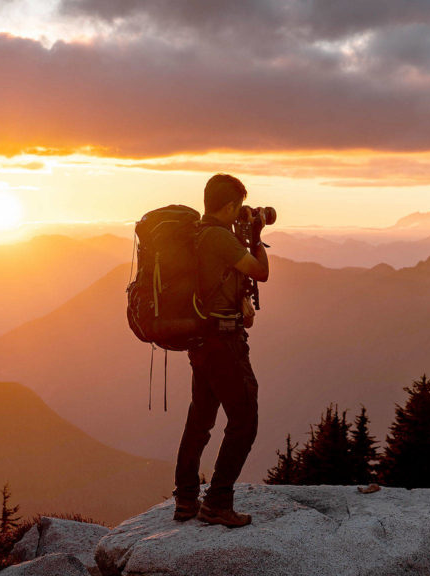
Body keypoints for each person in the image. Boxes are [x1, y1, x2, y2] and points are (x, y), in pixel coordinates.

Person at [173, 173, 269, 527]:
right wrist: (257, 235)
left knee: (200, 420)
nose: (241, 215)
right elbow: (260, 272)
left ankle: (185, 500)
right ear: (229, 205)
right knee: (244, 420)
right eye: (239, 208)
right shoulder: (219, 238)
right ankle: (217, 501)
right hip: (223, 342)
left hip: (201, 340)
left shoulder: (198, 234)